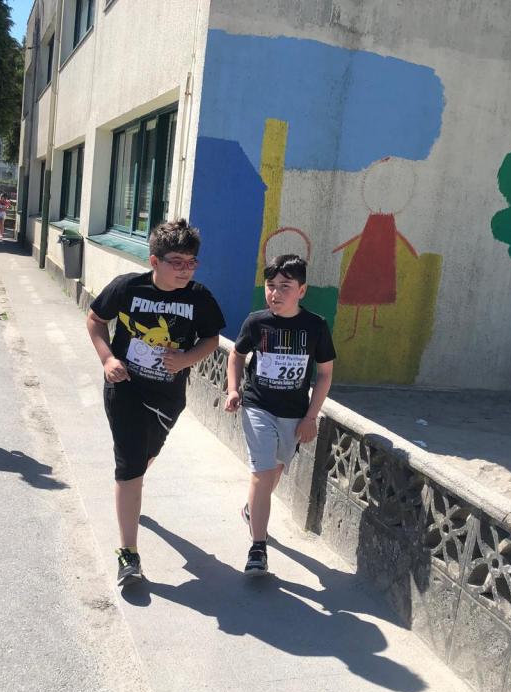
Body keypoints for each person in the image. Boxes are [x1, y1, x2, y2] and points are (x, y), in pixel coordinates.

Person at [86, 219, 225, 587]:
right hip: (125, 388)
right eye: (176, 261)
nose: (185, 269)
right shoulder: (127, 287)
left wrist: (186, 359)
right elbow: (96, 320)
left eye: (191, 262)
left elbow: (211, 339)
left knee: (145, 458)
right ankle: (128, 554)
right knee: (130, 464)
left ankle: (130, 487)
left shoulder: (199, 298)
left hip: (168, 397)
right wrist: (107, 359)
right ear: (154, 261)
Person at [224, 254, 336, 575]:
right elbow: (236, 355)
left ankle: (251, 510)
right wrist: (234, 389)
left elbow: (325, 374)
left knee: (275, 471)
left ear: (302, 290)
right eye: (270, 285)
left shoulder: (315, 326)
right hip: (257, 406)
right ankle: (258, 548)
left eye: (285, 286)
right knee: (262, 473)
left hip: (294, 414)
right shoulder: (256, 322)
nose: (275, 293)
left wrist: (311, 416)